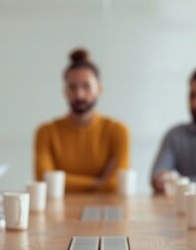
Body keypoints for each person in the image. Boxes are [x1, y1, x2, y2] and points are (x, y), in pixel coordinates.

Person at [34, 48, 130, 193]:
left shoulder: (118, 131)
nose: (79, 94)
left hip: (106, 211)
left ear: (99, 89)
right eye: (72, 87)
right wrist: (99, 182)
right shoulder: (46, 132)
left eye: (86, 86)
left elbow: (116, 184)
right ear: (65, 91)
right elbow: (44, 180)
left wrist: (63, 182)